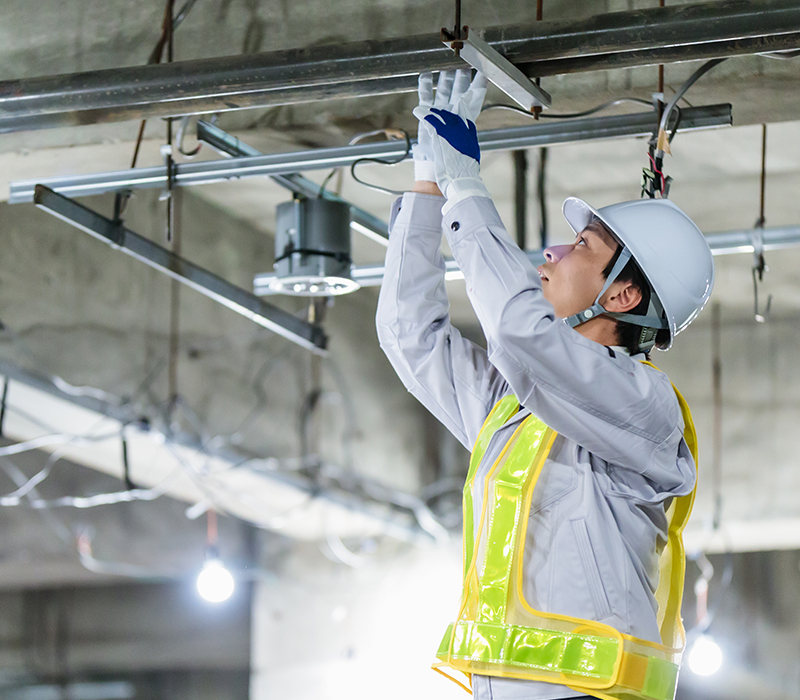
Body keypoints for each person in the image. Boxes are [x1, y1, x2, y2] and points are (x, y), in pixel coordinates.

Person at [376, 69, 714, 700]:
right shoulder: (513, 412)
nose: (553, 253)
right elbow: (408, 333)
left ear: (622, 293)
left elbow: (519, 332)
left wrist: (465, 188)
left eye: (581, 244)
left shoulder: (646, 411)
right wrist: (427, 182)